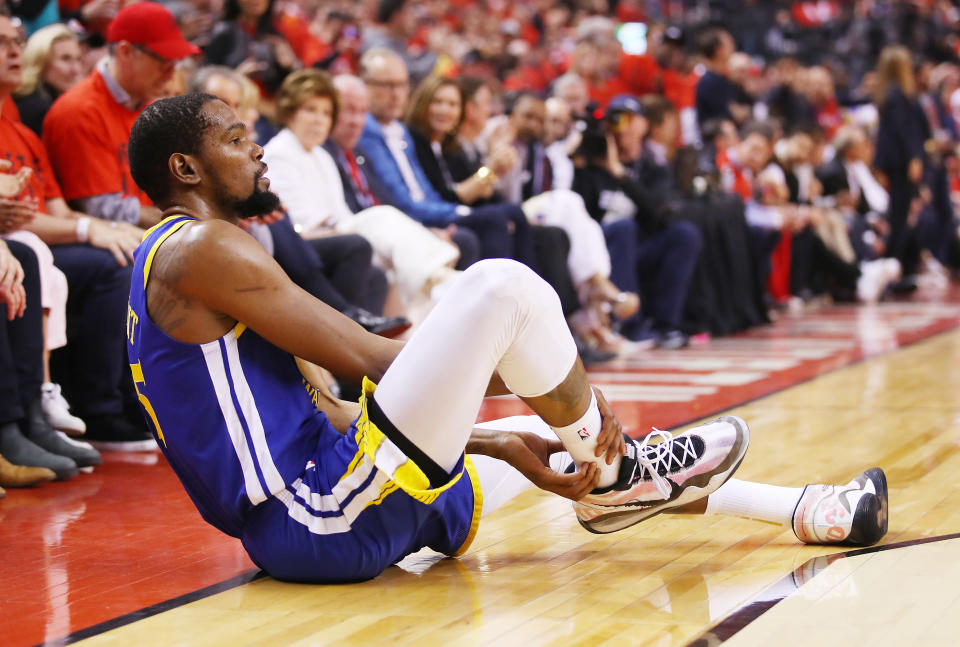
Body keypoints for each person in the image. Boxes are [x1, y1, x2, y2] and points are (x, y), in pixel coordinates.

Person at [124, 92, 889, 582]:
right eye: (234, 137)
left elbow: (335, 406)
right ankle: (613, 465)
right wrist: (532, 370)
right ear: (185, 165)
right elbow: (369, 361)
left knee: (543, 431)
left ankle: (802, 507)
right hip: (315, 514)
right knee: (502, 287)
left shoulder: (194, 257)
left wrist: (498, 434)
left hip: (331, 492)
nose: (257, 147)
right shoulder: (201, 251)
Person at [0, 12, 148, 452]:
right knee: (107, 264)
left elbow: (53, 208)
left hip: (34, 243)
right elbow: (25, 219)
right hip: (28, 244)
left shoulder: (22, 130)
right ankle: (85, 408)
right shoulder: (58, 112)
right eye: (2, 42)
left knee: (135, 250)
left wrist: (104, 227)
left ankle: (129, 400)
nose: (13, 51)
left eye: (17, 41)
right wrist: (89, 229)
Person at [261, 69, 461, 306]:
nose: (319, 120)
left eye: (326, 113)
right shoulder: (280, 152)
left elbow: (342, 212)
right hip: (307, 238)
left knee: (395, 269)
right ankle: (438, 275)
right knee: (379, 218)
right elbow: (302, 220)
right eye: (310, 110)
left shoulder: (321, 155)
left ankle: (421, 314)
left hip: (337, 228)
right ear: (290, 113)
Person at [42, 1, 199, 229]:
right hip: (110, 242)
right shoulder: (78, 110)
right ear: (126, 52)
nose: (171, 74)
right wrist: (194, 222)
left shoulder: (148, 105)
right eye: (164, 61)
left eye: (176, 63)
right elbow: (102, 208)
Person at [12, 23, 83, 136]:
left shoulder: (54, 100)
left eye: (78, 59)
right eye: (65, 59)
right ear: (39, 62)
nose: (75, 69)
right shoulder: (37, 110)